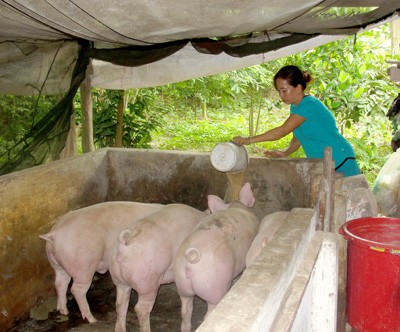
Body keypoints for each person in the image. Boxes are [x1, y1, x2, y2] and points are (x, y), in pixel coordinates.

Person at [233, 65, 360, 177]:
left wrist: (248, 140)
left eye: (284, 90)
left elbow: (282, 131)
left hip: (340, 160)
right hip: (325, 164)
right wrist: (285, 152)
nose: (281, 95)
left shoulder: (309, 105)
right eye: (279, 91)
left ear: (298, 88)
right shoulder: (295, 107)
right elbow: (298, 138)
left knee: (352, 202)